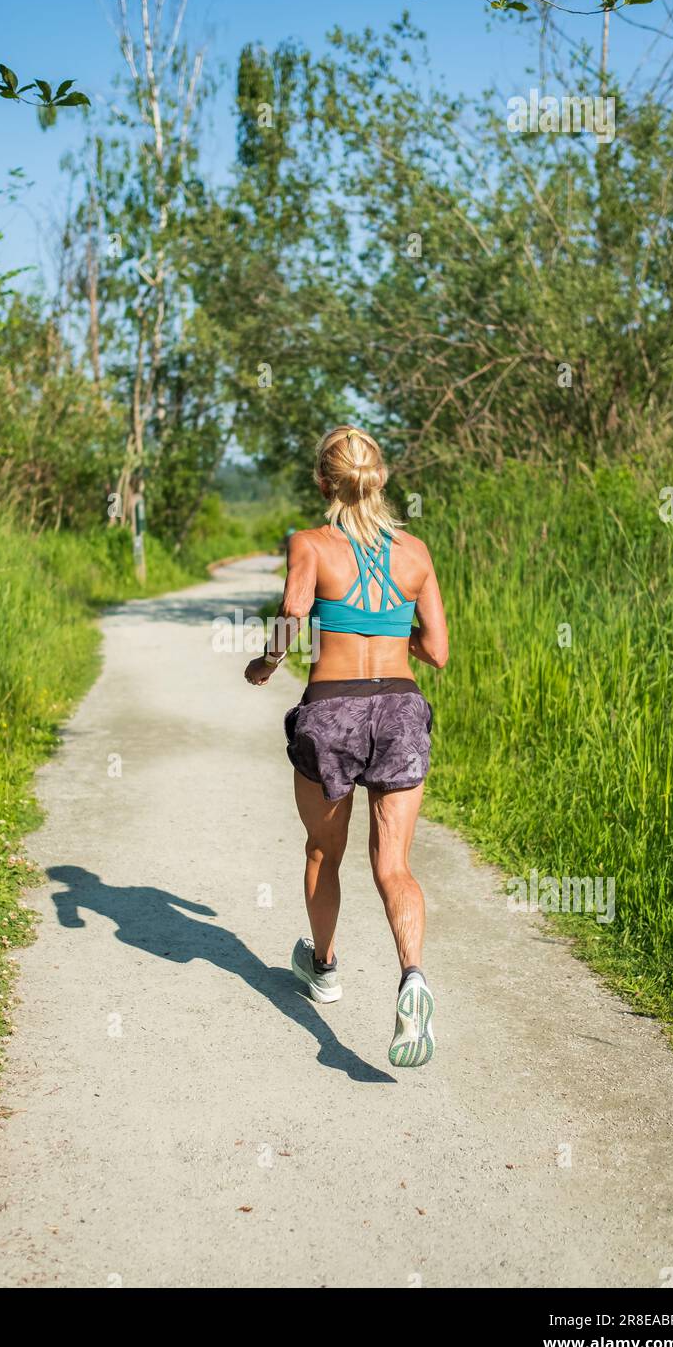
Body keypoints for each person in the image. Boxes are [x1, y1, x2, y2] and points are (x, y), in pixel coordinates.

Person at [244, 426, 449, 1067]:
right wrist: (394, 632)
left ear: (322, 482)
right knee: (394, 867)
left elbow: (294, 612)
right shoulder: (414, 552)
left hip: (332, 710)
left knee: (322, 852)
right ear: (381, 480)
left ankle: (324, 967)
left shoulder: (309, 543)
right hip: (400, 706)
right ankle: (413, 977)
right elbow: (438, 651)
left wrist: (266, 663)